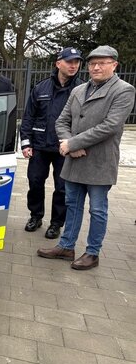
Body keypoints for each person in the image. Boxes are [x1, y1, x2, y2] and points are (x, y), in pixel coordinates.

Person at [37, 45, 136, 270]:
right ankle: (66, 246)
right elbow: (61, 121)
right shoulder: (79, 90)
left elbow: (110, 126)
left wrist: (73, 143)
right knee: (72, 204)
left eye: (102, 63)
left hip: (100, 162)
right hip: (75, 160)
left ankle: (93, 253)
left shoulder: (123, 90)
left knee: (97, 209)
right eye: (92, 64)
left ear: (114, 65)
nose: (96, 67)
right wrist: (69, 145)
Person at [20, 47, 84, 239]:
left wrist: (77, 143)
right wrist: (25, 143)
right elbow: (28, 117)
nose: (73, 65)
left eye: (76, 62)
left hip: (65, 147)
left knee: (62, 187)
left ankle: (56, 223)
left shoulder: (82, 89)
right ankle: (35, 216)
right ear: (58, 63)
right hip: (39, 146)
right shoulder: (41, 88)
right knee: (35, 182)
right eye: (69, 61)